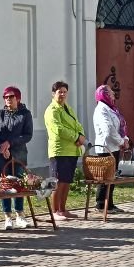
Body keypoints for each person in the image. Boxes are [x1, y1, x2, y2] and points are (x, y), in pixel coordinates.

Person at [0, 87, 34, 229]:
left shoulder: (25, 114)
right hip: (1, 155)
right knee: (5, 184)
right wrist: (2, 148)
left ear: (18, 98)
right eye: (5, 97)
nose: (8, 99)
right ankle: (7, 217)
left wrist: (10, 143)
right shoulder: (1, 114)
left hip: (18, 154)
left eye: (11, 96)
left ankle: (20, 215)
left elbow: (27, 135)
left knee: (18, 184)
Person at [44, 81, 86, 218]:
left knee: (67, 181)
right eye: (59, 92)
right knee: (57, 181)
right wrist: (76, 137)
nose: (62, 94)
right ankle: (55, 211)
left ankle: (63, 209)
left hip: (72, 150)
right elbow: (58, 129)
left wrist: (81, 135)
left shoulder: (67, 108)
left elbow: (77, 124)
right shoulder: (52, 110)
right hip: (59, 150)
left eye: (64, 92)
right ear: (53, 94)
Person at [91, 85, 128, 214]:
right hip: (105, 148)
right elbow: (108, 130)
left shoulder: (112, 108)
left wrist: (125, 139)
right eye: (111, 93)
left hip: (114, 147)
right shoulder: (101, 109)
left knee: (112, 178)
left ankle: (109, 204)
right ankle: (101, 204)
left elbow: (120, 125)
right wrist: (121, 141)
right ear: (104, 95)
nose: (113, 95)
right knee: (105, 178)